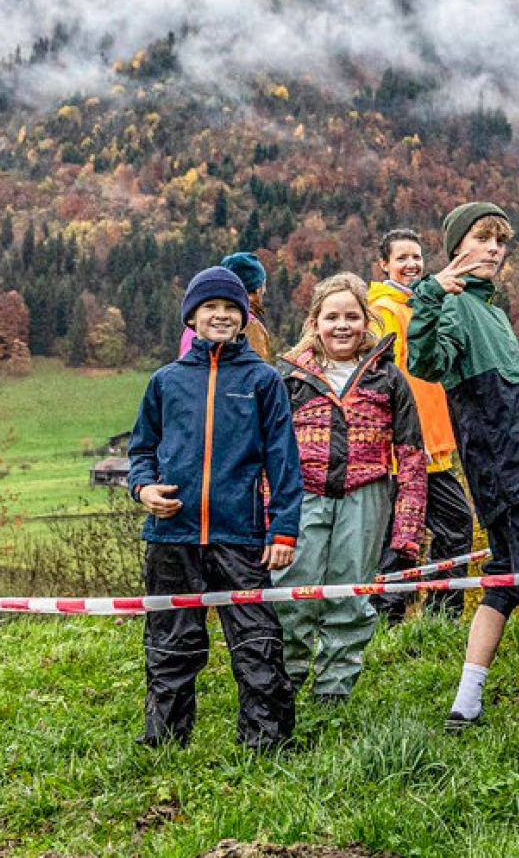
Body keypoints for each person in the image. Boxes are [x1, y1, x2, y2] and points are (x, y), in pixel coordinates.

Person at [405, 202, 519, 736]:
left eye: (501, 241)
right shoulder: (456, 306)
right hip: (510, 460)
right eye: (483, 238)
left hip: (509, 457)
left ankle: (466, 703)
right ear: (457, 246)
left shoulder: (493, 311)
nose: (495, 249)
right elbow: (426, 363)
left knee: (503, 578)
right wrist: (432, 294)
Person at [127, 266, 302, 750]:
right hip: (172, 537)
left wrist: (283, 530)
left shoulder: (263, 380)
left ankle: (267, 743)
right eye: (211, 309)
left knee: (256, 643)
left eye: (231, 309)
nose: (222, 316)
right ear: (192, 318)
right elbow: (141, 451)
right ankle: (164, 741)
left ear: (245, 318)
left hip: (241, 536)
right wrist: (143, 490)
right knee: (169, 644)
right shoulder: (165, 382)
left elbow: (284, 461)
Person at [272, 273, 427, 704]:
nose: (342, 326)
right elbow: (268, 453)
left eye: (352, 316)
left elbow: (412, 457)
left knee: (351, 598)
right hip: (302, 497)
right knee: (292, 596)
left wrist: (407, 535)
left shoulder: (388, 378)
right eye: (332, 316)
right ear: (314, 322)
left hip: (366, 496)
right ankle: (281, 691)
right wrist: (267, 516)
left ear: (366, 321)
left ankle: (332, 698)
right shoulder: (288, 377)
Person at [368, 228, 475, 623]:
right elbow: (385, 383)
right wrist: (405, 438)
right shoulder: (384, 311)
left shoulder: (421, 306)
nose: (411, 264)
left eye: (416, 257)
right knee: (402, 535)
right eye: (401, 258)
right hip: (404, 450)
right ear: (384, 265)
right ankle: (390, 620)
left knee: (449, 527)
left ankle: (439, 616)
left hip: (432, 445)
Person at [177, 251, 275, 361]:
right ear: (257, 290)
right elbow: (258, 374)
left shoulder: (196, 324)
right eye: (263, 285)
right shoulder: (247, 324)